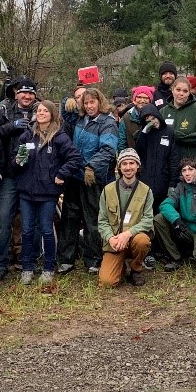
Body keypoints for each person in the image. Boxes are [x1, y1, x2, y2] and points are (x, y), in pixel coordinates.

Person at [11, 99, 82, 285]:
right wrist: (18, 162)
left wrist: (62, 174)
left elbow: (75, 158)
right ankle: (27, 267)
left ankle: (48, 267)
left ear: (52, 114)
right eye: (39, 111)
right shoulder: (27, 136)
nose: (41, 113)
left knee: (46, 230)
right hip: (26, 191)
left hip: (48, 193)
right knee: (26, 231)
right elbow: (16, 160)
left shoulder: (59, 136)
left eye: (45, 111)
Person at [58, 86, 117, 276]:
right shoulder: (80, 120)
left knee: (92, 220)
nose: (90, 106)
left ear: (100, 102)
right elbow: (65, 115)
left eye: (92, 102)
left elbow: (108, 149)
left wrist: (91, 167)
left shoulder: (107, 123)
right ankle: (66, 259)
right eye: (86, 103)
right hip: (75, 177)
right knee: (69, 217)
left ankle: (93, 259)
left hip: (93, 178)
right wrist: (66, 101)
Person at [0, 76, 39, 280]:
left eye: (30, 93)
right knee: (3, 220)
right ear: (16, 94)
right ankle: (0, 265)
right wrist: (11, 126)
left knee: (32, 222)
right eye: (23, 92)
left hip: (33, 175)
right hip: (9, 175)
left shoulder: (42, 110)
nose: (26, 96)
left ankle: (29, 261)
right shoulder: (3, 110)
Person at [97, 148, 154, 288]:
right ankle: (120, 265)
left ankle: (136, 269)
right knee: (107, 282)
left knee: (142, 241)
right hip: (114, 242)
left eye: (132, 163)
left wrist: (128, 234)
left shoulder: (146, 191)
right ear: (119, 167)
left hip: (134, 238)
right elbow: (102, 221)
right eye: (124, 164)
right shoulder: (108, 190)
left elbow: (148, 220)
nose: (128, 167)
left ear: (137, 166)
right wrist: (111, 238)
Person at [155, 159, 196, 271]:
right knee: (159, 219)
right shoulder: (180, 187)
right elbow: (165, 204)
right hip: (185, 228)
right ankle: (175, 258)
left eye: (191, 169)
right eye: (184, 170)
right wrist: (176, 220)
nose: (187, 173)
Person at [132, 103, 180, 210]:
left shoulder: (169, 132)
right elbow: (138, 152)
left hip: (163, 181)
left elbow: (174, 159)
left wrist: (172, 184)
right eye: (149, 120)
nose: (153, 122)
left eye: (154, 118)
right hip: (146, 182)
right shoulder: (143, 135)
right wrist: (144, 132)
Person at [159, 76, 196, 164]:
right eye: (178, 90)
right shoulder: (163, 111)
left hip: (194, 163)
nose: (181, 93)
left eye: (185, 91)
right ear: (172, 90)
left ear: (189, 93)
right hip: (170, 162)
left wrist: (180, 137)